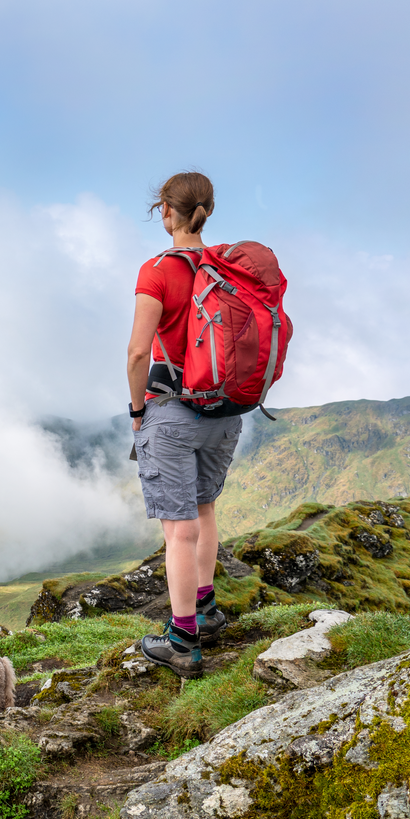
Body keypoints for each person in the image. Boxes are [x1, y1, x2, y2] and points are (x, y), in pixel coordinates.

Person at [126, 172, 242, 679]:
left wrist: (137, 411)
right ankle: (207, 609)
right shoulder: (228, 268)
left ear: (167, 213)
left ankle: (182, 642)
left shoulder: (157, 271)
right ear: (207, 212)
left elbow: (138, 352)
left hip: (172, 411)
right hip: (226, 412)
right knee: (204, 507)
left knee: (178, 530)